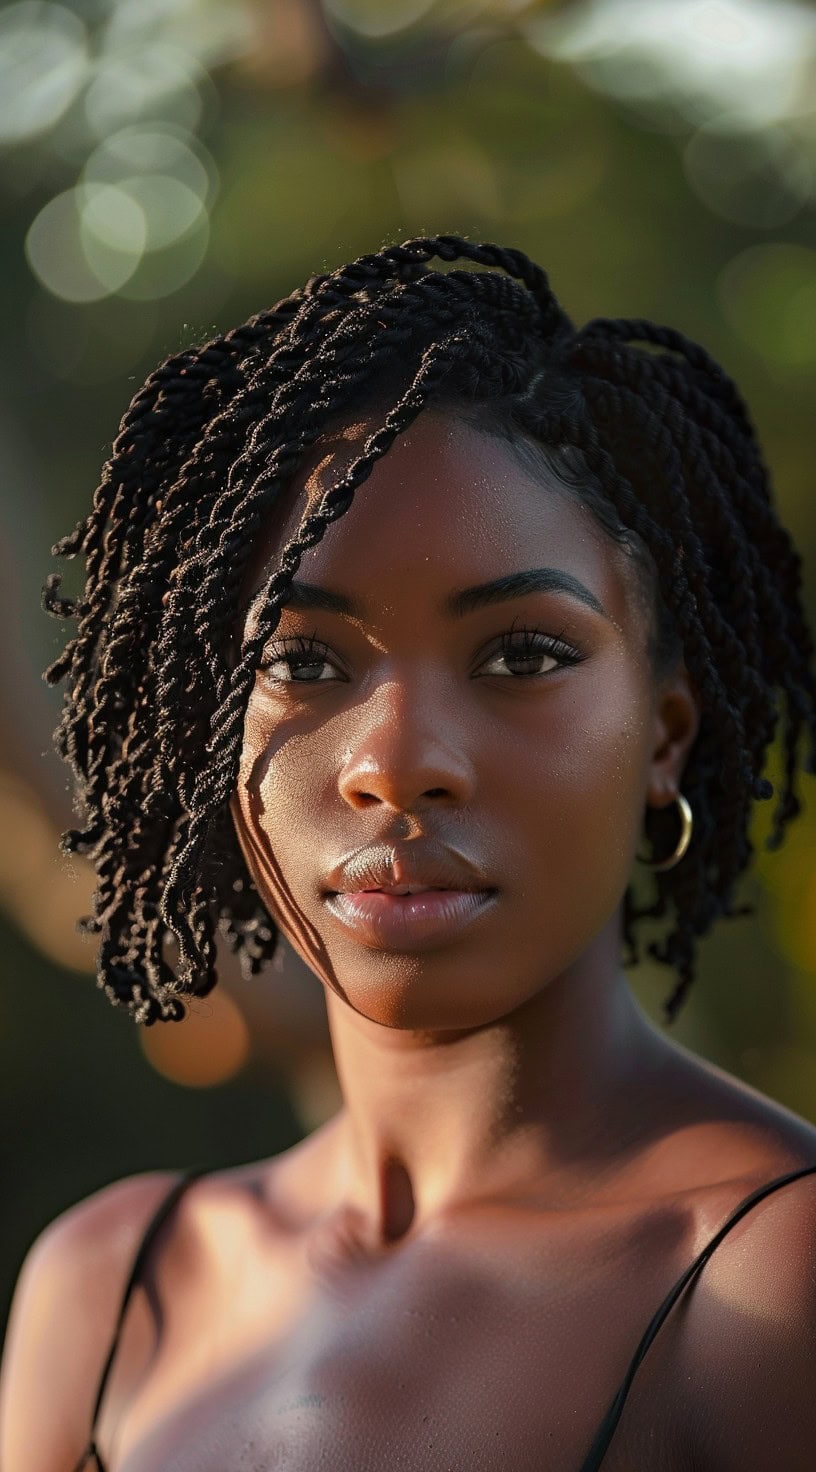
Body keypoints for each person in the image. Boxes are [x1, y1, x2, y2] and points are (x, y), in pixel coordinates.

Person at [2, 234, 816, 1471]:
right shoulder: (114, 1288)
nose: (396, 759)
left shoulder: (770, 1283)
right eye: (303, 660)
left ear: (665, 734)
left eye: (523, 655)